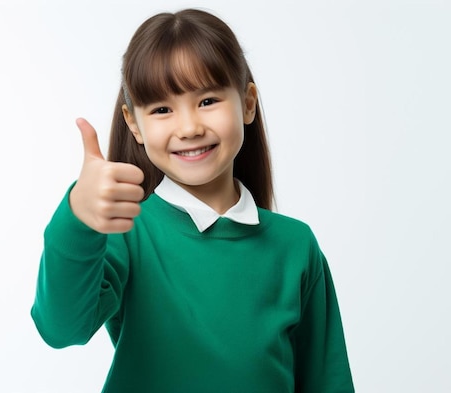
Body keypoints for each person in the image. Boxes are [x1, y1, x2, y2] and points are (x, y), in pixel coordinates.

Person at [31, 8, 355, 393]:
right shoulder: (129, 232)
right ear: (134, 123)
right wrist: (77, 218)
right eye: (163, 109)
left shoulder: (296, 246)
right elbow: (61, 328)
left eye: (207, 101)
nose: (189, 128)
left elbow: (326, 381)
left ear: (248, 102)